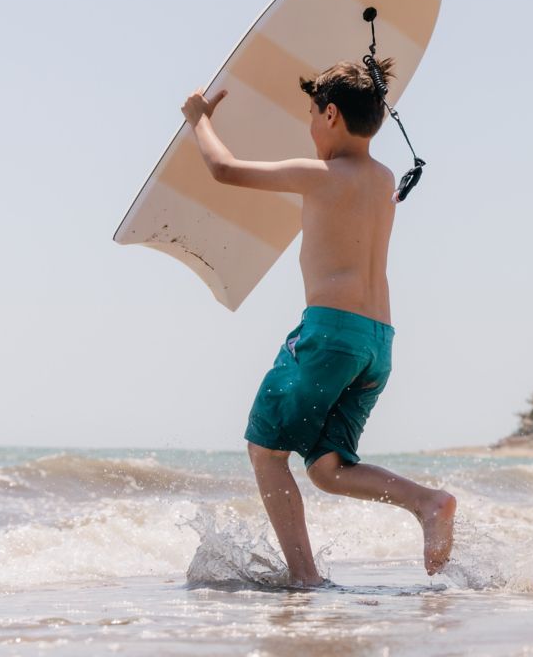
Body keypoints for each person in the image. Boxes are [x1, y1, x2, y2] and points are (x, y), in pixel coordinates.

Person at [180, 58, 455, 585]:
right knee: (328, 468)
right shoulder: (382, 180)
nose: (308, 127)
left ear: (330, 114)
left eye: (310, 114)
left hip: (328, 334)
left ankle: (305, 577)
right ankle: (428, 503)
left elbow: (225, 170)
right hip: (378, 342)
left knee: (265, 450)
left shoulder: (322, 176)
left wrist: (199, 119)